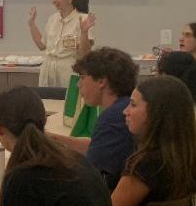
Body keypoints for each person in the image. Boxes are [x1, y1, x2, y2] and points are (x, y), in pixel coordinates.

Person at [111, 76, 196, 206]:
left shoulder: (147, 165)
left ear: (157, 113)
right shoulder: (183, 156)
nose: (125, 111)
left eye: (133, 105)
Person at [56, 48, 138, 190]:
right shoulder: (125, 107)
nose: (78, 84)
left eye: (82, 77)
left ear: (101, 81)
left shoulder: (113, 118)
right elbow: (97, 146)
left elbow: (93, 176)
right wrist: (52, 139)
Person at [28, 0, 95, 87]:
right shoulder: (52, 19)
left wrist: (84, 32)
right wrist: (31, 24)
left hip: (69, 72)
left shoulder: (83, 19)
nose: (54, 0)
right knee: (46, 97)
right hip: (48, 71)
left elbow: (85, 54)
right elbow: (41, 45)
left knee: (67, 97)